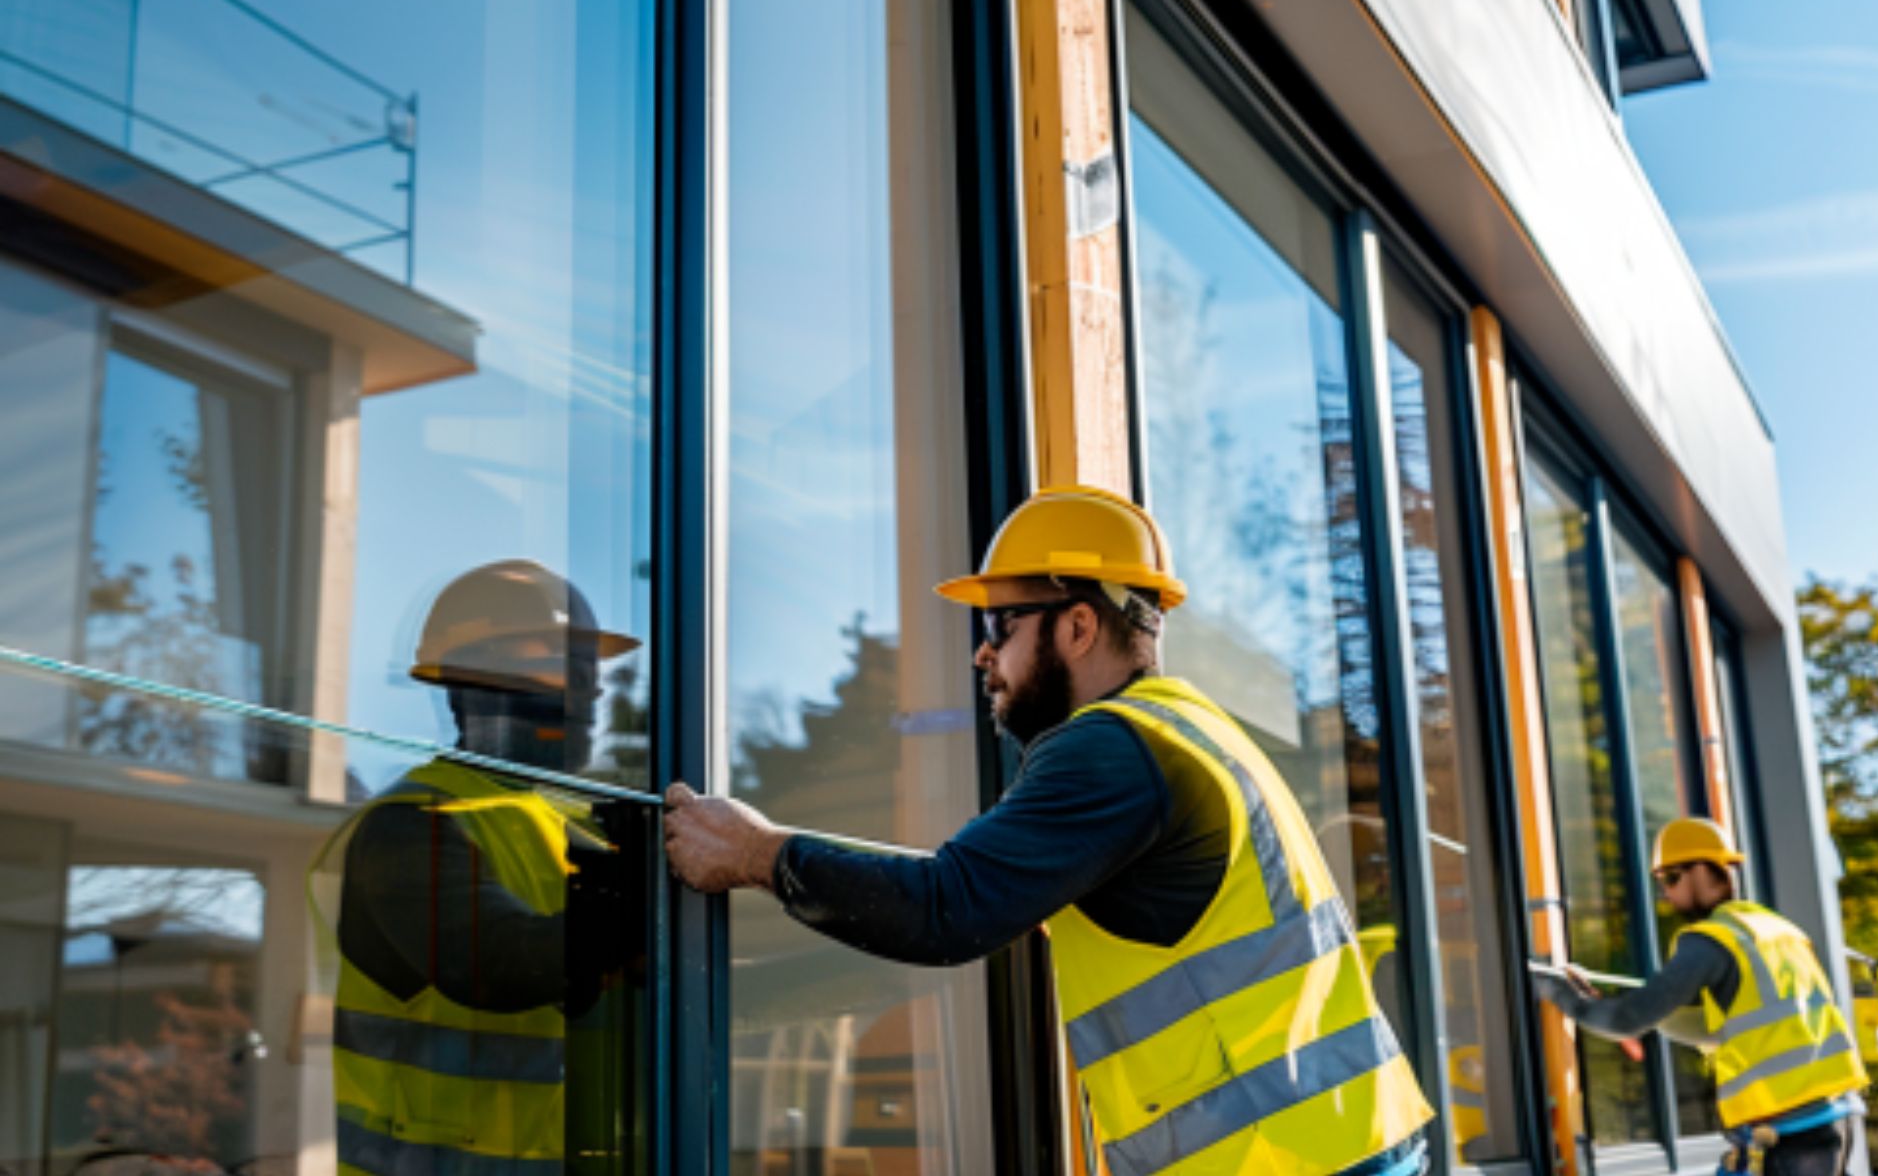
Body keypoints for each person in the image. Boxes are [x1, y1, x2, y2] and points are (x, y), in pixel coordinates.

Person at [665, 485, 1434, 1176]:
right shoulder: (1194, 732)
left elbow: (947, 907)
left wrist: (755, 852)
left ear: (1076, 626)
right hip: (1342, 1145)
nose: (983, 652)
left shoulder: (1111, 748)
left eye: (1001, 624)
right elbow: (973, 897)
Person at [315, 560, 641, 1176]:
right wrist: (634, 917)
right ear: (468, 683)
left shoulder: (583, 826)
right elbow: (491, 963)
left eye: (586, 675)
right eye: (550, 665)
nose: (580, 697)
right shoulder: (410, 822)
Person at [1535, 817, 1868, 1175]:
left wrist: (1558, 993)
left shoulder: (1711, 940)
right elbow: (1714, 1028)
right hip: (1830, 1118)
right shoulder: (1777, 931)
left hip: (1788, 1134)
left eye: (1671, 878)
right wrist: (1605, 1003)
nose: (1665, 892)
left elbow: (1625, 1021)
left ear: (1706, 872)